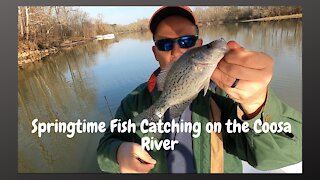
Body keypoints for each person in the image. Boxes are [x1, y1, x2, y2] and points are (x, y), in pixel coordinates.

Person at [97, 6, 302, 173]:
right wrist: (118, 153)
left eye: (186, 41)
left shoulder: (224, 96)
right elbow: (105, 148)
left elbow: (287, 153)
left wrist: (256, 105)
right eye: (165, 44)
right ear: (155, 52)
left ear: (199, 45)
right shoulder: (133, 102)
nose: (177, 51)